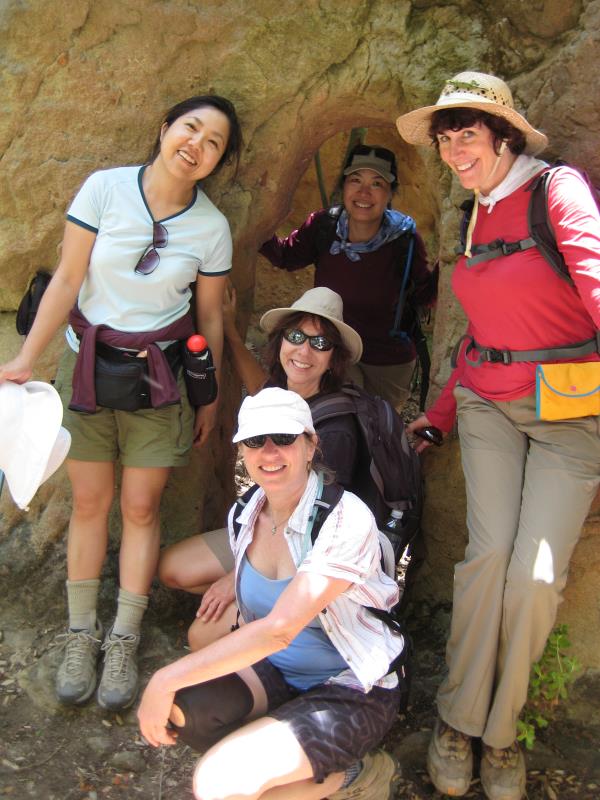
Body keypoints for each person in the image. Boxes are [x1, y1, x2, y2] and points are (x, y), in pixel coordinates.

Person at [0, 94, 243, 711]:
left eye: (214, 142)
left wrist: (206, 394)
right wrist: (27, 358)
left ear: (218, 161)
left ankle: (124, 639)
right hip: (84, 370)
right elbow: (67, 278)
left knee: (140, 507)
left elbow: (208, 316)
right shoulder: (104, 190)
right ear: (164, 128)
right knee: (89, 501)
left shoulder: (211, 228)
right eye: (191, 128)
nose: (197, 144)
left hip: (159, 380)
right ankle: (82, 634)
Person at [396, 71, 600, 800]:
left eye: (469, 133)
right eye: (446, 136)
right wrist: (441, 413)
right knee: (486, 560)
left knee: (535, 578)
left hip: (570, 412)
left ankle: (502, 733)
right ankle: (457, 719)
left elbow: (596, 280)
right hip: (487, 406)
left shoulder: (556, 191)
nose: (454, 148)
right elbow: (484, 339)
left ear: (504, 135)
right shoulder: (471, 213)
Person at [139, 387, 404, 800]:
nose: (270, 452)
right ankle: (280, 759)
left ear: (311, 443)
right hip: (277, 670)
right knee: (185, 710)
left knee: (217, 783)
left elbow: (279, 629)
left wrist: (163, 676)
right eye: (254, 441)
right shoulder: (246, 512)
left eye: (284, 438)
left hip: (350, 689)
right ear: (242, 449)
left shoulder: (344, 519)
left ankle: (353, 776)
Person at [158, 286, 365, 647]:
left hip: (305, 552)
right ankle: (264, 608)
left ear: (334, 359)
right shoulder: (279, 395)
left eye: (319, 344)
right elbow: (256, 383)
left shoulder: (336, 428)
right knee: (172, 568)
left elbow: (318, 526)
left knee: (199, 639)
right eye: (296, 336)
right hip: (263, 526)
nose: (303, 351)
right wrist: (230, 329)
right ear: (281, 341)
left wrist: (237, 576)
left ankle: (286, 618)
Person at [259, 143, 438, 412]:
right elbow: (287, 256)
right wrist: (256, 222)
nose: (364, 192)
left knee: (378, 430)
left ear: (390, 192)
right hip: (332, 348)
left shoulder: (404, 237)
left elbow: (425, 293)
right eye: (355, 180)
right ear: (343, 186)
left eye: (377, 183)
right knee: (336, 420)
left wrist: (452, 261)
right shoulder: (324, 226)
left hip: (387, 358)